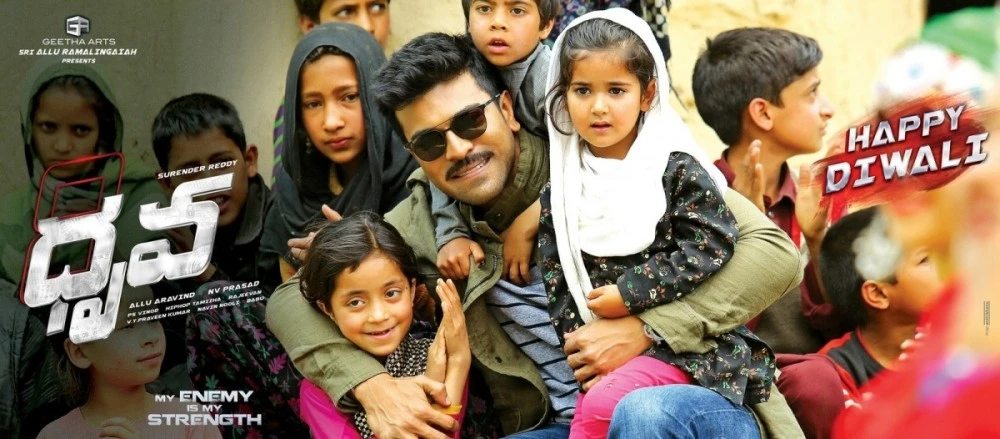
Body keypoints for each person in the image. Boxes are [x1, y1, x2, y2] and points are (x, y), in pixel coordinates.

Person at [267, 31, 806, 439]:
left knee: (641, 414)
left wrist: (648, 328)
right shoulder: (423, 223)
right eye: (430, 142)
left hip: (697, 397)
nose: (458, 149)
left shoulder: (599, 156)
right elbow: (288, 302)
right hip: (565, 425)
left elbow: (773, 252)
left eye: (470, 122)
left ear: (506, 109)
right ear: (413, 154)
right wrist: (371, 385)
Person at [537, 10, 773, 438]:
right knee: (592, 414)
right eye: (582, 90)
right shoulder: (562, 190)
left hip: (693, 353)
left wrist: (631, 293)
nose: (599, 106)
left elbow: (712, 244)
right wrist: (586, 351)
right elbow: (559, 281)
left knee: (604, 411)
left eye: (616, 90)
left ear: (647, 95)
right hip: (609, 360)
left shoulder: (675, 169)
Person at [692, 27, 840, 353]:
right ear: (762, 112)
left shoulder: (814, 199)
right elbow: (698, 326)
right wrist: (747, 236)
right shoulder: (696, 199)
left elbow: (839, 329)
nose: (828, 108)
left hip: (808, 373)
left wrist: (818, 241)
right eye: (812, 93)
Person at [260, 22, 416, 286]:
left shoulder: (418, 177)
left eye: (349, 97)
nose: (331, 122)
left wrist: (348, 252)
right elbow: (273, 294)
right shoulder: (294, 192)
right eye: (313, 104)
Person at [297, 212, 470, 439]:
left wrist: (457, 362)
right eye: (355, 302)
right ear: (327, 309)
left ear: (411, 290)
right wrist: (442, 374)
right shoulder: (319, 392)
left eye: (391, 293)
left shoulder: (436, 354)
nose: (378, 315)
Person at [775, 207, 944, 439]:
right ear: (878, 294)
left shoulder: (966, 340)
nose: (947, 264)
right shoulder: (835, 382)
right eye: (925, 259)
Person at [430, 0, 562, 287]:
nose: (497, 22)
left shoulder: (551, 81)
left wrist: (529, 222)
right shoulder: (461, 69)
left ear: (546, 25)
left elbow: (589, 162)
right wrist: (451, 233)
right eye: (484, 9)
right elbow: (437, 160)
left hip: (549, 193)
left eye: (517, 10)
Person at [37, 287, 221, 439]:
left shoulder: (191, 420)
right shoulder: (53, 435)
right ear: (80, 352)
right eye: (127, 326)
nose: (151, 337)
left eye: (153, 318)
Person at [273, 0, 392, 187]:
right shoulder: (293, 114)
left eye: (377, 7)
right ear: (310, 27)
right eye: (346, 12)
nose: (367, 26)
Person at [151, 93, 269, 283]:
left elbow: (275, 303)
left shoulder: (283, 223)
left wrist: (204, 271)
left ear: (249, 161)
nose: (210, 182)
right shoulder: (168, 245)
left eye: (222, 163)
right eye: (190, 171)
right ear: (167, 183)